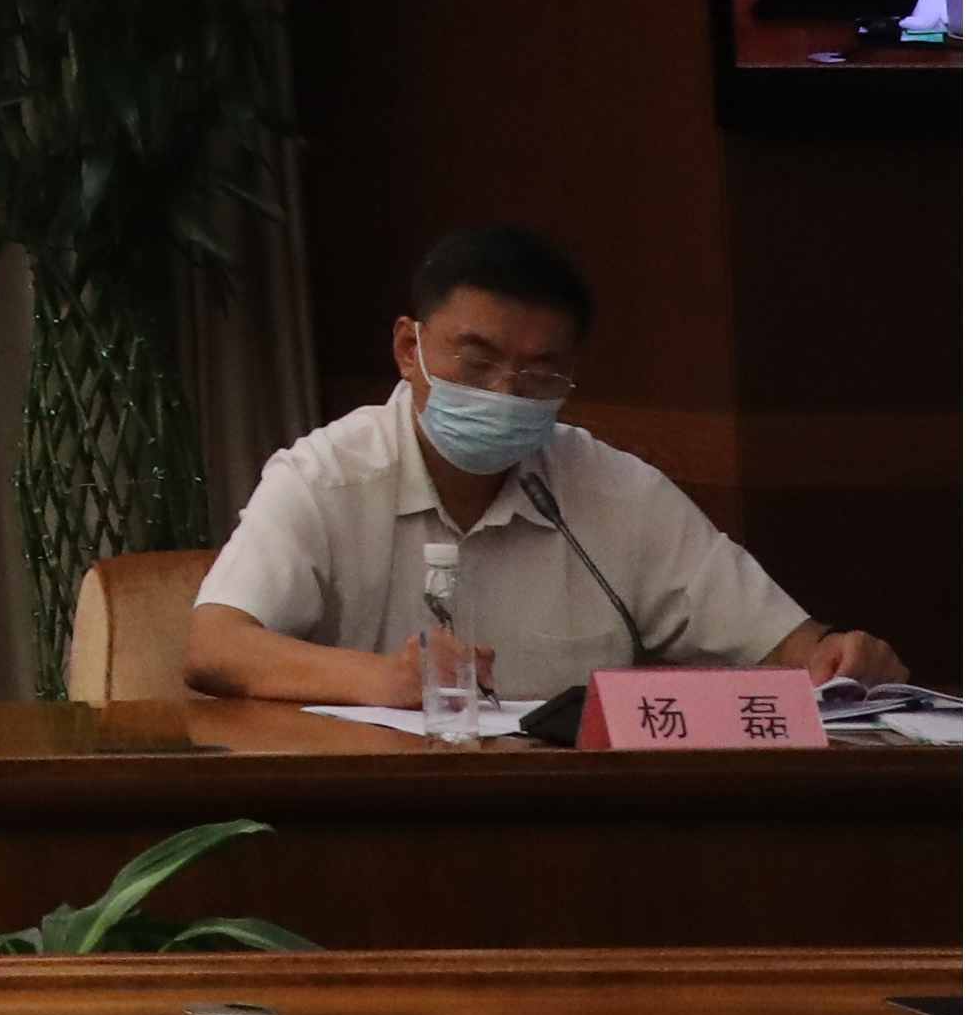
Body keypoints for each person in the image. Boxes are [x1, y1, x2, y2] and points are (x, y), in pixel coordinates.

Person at [188, 224, 907, 705]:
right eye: (477, 362)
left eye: (538, 375)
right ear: (409, 349)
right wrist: (382, 680)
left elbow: (787, 649)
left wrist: (837, 656)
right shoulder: (326, 477)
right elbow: (215, 644)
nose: (504, 393)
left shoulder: (615, 492)